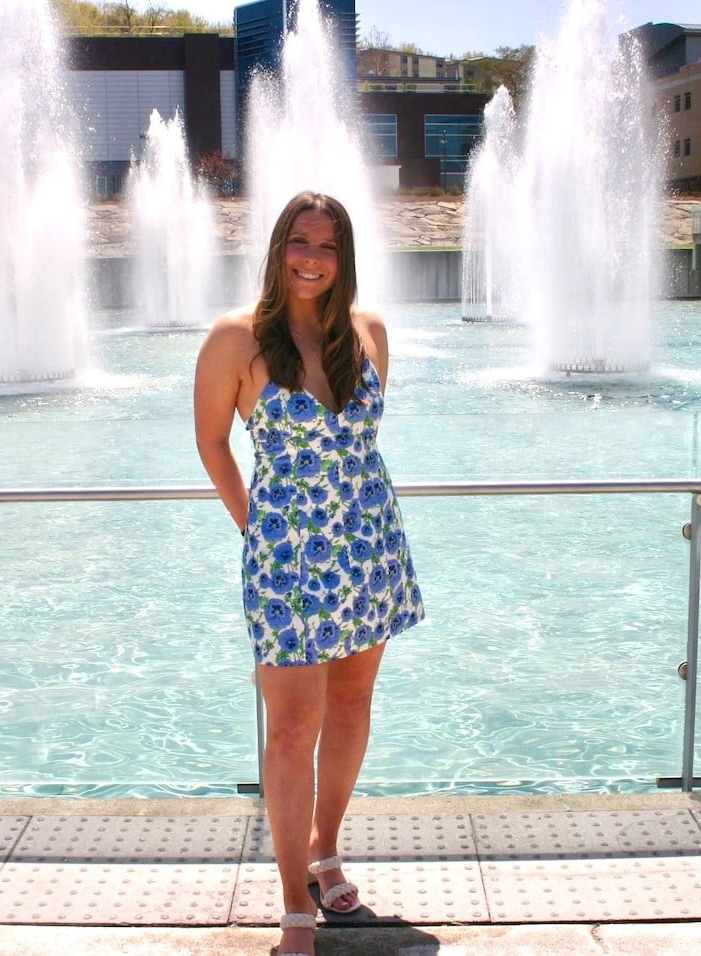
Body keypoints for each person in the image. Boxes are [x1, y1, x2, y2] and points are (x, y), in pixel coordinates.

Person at [194, 191, 423, 956]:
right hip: (288, 563)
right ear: (278, 248)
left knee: (353, 706)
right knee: (293, 732)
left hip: (370, 548)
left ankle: (326, 851)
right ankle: (294, 900)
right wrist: (257, 527)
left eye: (328, 246)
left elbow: (363, 445)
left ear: (344, 256)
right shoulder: (237, 339)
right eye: (300, 242)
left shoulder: (369, 333)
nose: (312, 259)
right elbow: (214, 447)